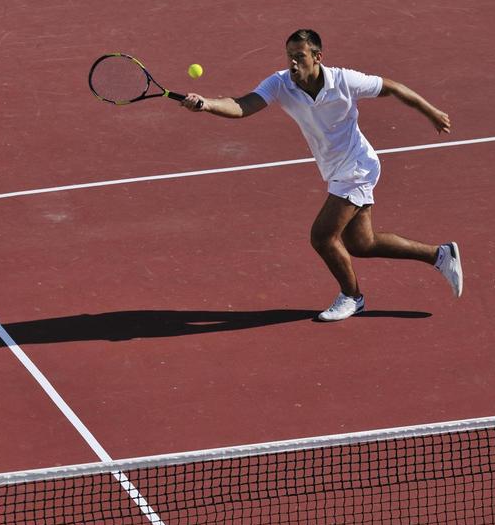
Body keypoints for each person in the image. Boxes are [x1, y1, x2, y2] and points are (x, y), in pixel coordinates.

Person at [180, 29, 462, 321]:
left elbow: (392, 87)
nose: (292, 63)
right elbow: (243, 105)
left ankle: (353, 297)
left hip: (357, 167)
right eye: (289, 56)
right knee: (361, 244)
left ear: (317, 57)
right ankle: (440, 255)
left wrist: (432, 113)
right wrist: (207, 104)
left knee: (322, 237)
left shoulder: (344, 80)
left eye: (299, 56)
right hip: (336, 169)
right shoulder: (280, 83)